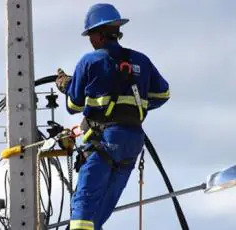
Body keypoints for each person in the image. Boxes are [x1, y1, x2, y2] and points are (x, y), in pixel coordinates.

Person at [56, 3, 170, 230]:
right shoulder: (141, 61)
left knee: (84, 207)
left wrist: (67, 85)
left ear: (98, 36)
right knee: (100, 212)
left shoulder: (90, 62)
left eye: (90, 35)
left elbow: (73, 105)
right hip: (131, 143)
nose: (90, 40)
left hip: (103, 142)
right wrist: (135, 106)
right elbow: (163, 94)